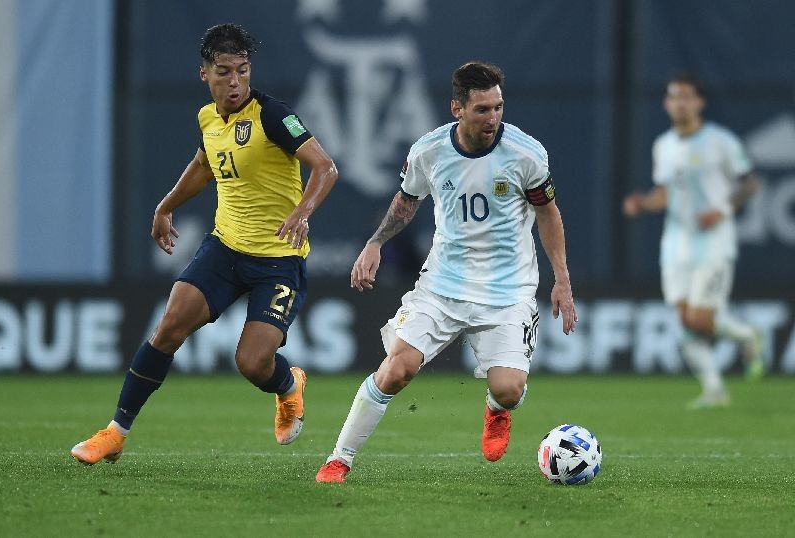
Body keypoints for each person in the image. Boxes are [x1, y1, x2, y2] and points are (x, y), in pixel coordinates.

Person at [71, 23, 338, 464]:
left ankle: (288, 384)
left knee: (252, 363)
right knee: (167, 328)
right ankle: (115, 432)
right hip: (225, 249)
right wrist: (164, 206)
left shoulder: (273, 115)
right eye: (224, 72)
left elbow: (325, 168)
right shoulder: (208, 119)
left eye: (243, 71)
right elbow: (204, 165)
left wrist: (302, 212)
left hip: (278, 259)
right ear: (204, 74)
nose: (235, 83)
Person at [315, 62, 578, 483]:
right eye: (482, 110)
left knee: (509, 389)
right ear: (457, 107)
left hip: (507, 291)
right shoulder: (429, 151)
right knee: (395, 371)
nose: (493, 119)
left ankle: (497, 410)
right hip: (442, 284)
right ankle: (339, 459)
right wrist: (375, 243)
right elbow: (406, 202)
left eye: (498, 108)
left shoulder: (527, 154)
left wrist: (562, 279)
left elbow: (548, 214)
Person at [623, 72, 764, 409]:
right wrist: (643, 203)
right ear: (666, 103)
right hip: (676, 244)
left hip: (714, 241)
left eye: (686, 96)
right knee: (686, 320)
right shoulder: (664, 145)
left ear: (699, 102)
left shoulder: (720, 140)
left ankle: (748, 336)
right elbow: (665, 195)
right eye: (674, 97)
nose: (680, 103)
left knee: (700, 320)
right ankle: (714, 389)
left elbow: (750, 183)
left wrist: (723, 209)